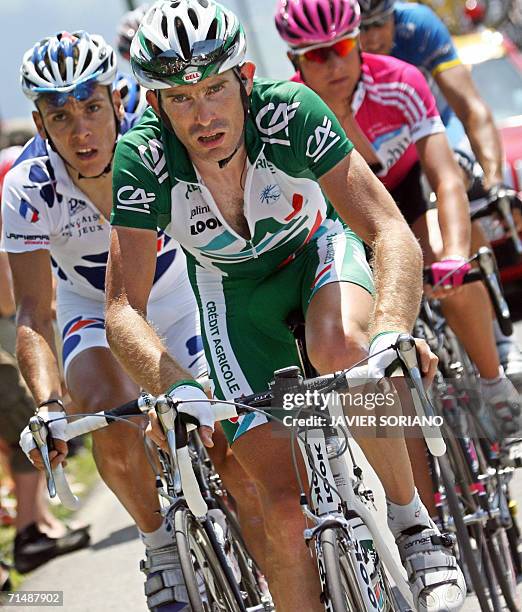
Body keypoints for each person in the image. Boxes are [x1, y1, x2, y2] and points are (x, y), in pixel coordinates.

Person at [106, 1, 465, 610]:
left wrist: (392, 332)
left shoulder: (289, 110)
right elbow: (121, 308)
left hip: (315, 256)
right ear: (156, 104)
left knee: (345, 351)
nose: (203, 114)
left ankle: (414, 528)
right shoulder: (144, 157)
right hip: (232, 294)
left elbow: (388, 230)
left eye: (215, 89)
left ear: (244, 79)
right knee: (283, 515)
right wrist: (177, 387)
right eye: (180, 98)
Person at [2, 30, 205, 610]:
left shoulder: (159, 145)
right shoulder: (26, 186)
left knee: (224, 439)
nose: (80, 129)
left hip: (182, 290)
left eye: (91, 106)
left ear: (119, 100)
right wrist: (46, 405)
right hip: (91, 307)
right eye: (60, 115)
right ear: (40, 125)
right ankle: (160, 544)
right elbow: (35, 311)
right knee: (100, 407)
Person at [357, 0, 522, 385]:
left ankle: (496, 338)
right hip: (390, 153)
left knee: (454, 187)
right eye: (361, 29)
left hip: (436, 128)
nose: (372, 38)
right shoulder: (341, 60)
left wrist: (494, 180)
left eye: (379, 24)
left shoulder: (416, 24)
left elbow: (470, 107)